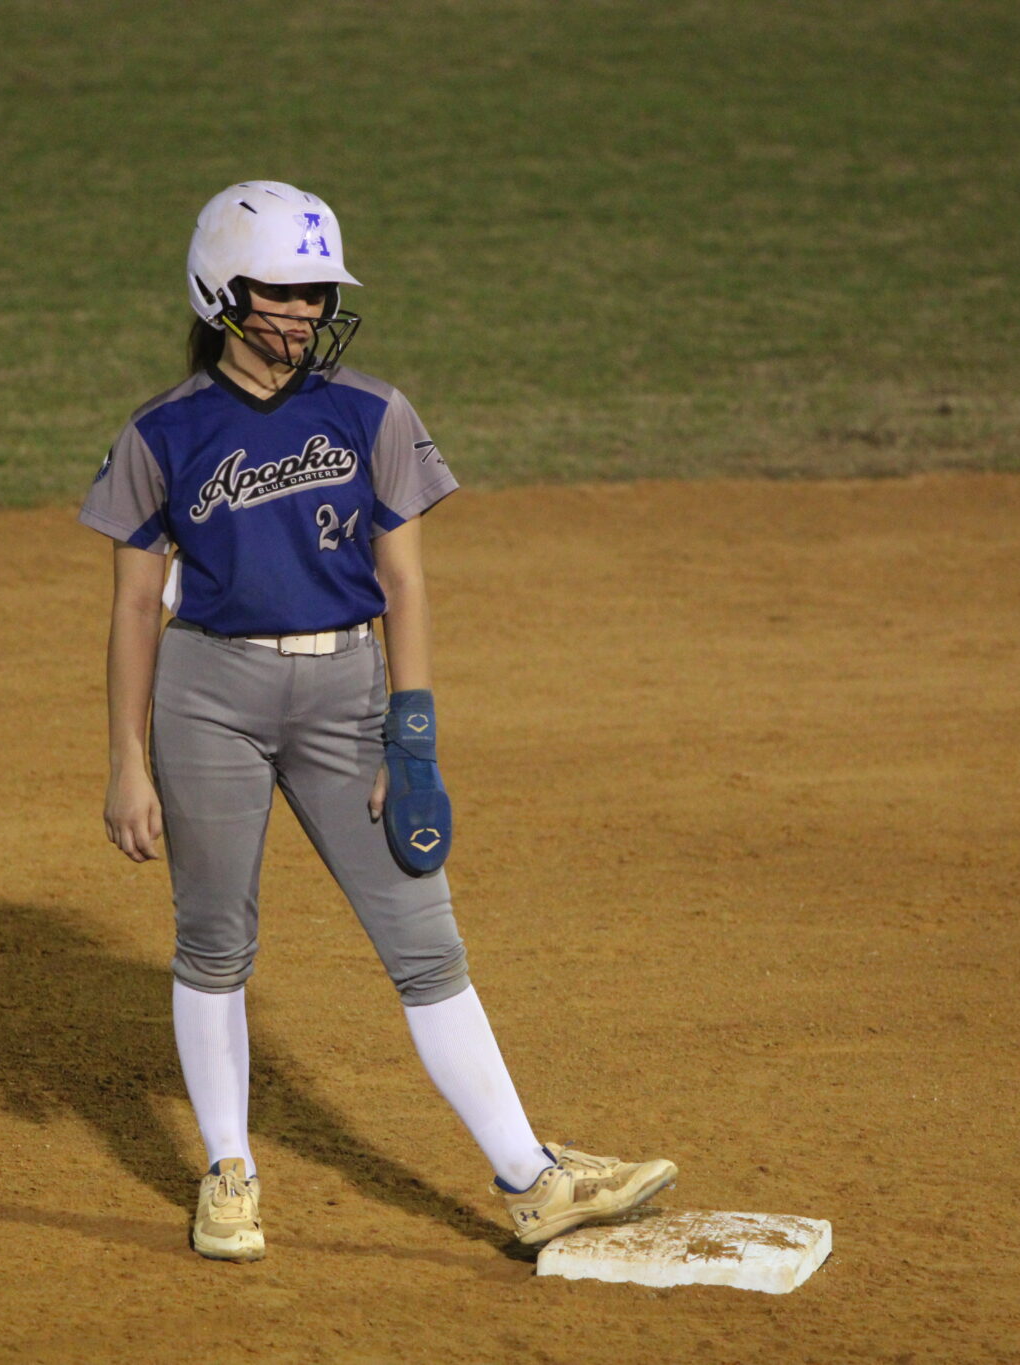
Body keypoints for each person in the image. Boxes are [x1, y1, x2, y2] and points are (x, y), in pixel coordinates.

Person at [79, 180, 676, 1262]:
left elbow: (402, 586)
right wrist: (127, 758)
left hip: (348, 695)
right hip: (205, 697)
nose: (304, 313)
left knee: (424, 939)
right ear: (222, 292)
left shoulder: (372, 412)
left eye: (317, 294)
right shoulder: (162, 433)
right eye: (284, 292)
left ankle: (528, 1181)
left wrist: (410, 737)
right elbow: (130, 605)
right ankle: (228, 1174)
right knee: (214, 942)